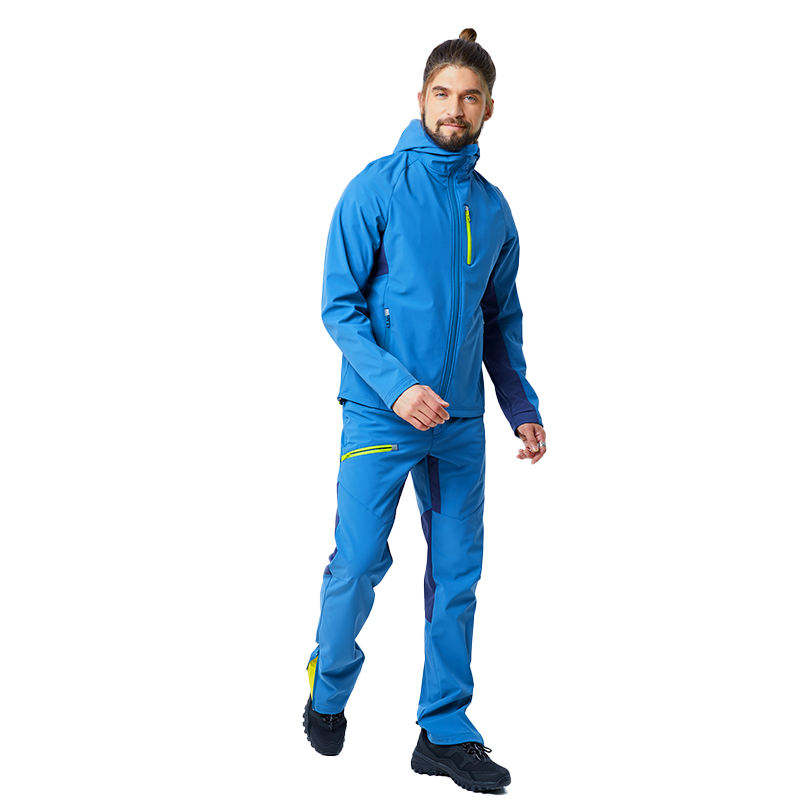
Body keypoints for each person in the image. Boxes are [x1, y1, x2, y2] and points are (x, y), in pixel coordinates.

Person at [303, 28, 546, 792]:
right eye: (443, 94)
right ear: (420, 99)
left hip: (460, 425)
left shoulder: (494, 209)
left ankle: (443, 730)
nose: (455, 109)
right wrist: (396, 387)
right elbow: (340, 307)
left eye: (470, 97)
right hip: (382, 416)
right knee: (359, 563)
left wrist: (520, 405)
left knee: (456, 575)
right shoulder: (375, 188)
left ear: (489, 109)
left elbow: (499, 321)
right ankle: (327, 684)